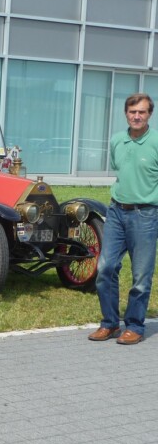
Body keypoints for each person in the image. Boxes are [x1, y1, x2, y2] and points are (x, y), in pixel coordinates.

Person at [89, 92, 158, 345]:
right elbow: (120, 170)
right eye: (132, 111)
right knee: (105, 268)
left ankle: (135, 326)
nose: (136, 116)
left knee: (141, 276)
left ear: (149, 114)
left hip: (146, 215)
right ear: (126, 114)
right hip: (116, 212)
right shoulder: (117, 140)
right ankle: (109, 323)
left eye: (141, 112)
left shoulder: (156, 142)